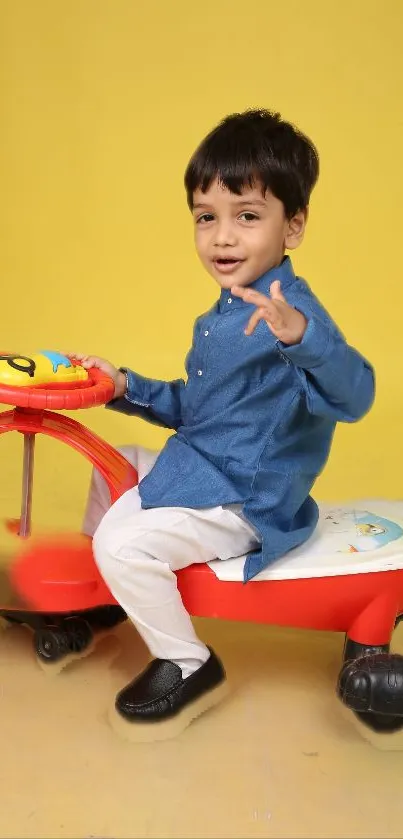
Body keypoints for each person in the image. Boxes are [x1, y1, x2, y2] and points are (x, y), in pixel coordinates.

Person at [71, 109, 375, 741]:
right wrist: (125, 386)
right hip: (204, 466)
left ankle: (189, 663)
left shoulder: (292, 313)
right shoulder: (221, 312)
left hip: (244, 499)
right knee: (112, 463)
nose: (222, 238)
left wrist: (304, 339)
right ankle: (115, 596)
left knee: (120, 541)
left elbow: (357, 394)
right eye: (206, 217)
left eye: (247, 215)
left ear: (293, 226)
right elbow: (202, 410)